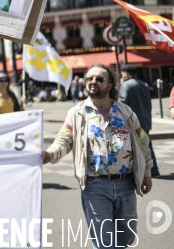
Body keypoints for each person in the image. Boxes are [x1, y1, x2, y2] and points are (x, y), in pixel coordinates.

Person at [42, 64, 152, 248]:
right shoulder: (77, 113)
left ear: (110, 85)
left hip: (126, 183)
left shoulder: (125, 111)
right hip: (95, 185)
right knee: (104, 241)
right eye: (89, 79)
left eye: (99, 79)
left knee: (126, 237)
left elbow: (143, 141)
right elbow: (63, 140)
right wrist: (51, 154)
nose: (93, 82)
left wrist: (147, 172)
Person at [118, 64, 159, 177]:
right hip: (145, 120)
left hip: (133, 122)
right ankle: (153, 169)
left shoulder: (126, 85)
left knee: (131, 147)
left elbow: (122, 103)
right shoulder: (143, 84)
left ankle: (135, 171)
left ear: (125, 73)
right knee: (146, 146)